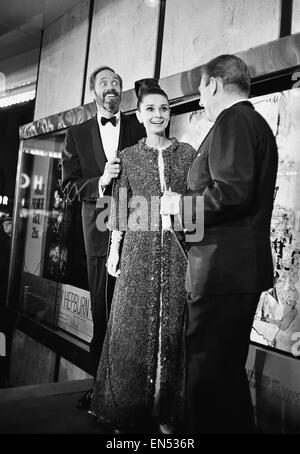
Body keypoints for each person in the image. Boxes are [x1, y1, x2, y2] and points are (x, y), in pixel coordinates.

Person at [161, 54, 278, 433]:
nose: (199, 101)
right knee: (224, 378)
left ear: (212, 83)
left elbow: (231, 192)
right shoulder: (251, 122)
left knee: (207, 378)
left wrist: (180, 204)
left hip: (221, 273)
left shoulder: (234, 120)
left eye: (201, 91)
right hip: (233, 272)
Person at [90, 80, 196, 433]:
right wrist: (114, 249)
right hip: (138, 251)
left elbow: (195, 206)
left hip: (177, 253)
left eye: (164, 109)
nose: (158, 115)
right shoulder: (129, 157)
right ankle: (126, 409)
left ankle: (167, 409)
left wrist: (194, 248)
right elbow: (118, 208)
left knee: (172, 329)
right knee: (130, 329)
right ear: (139, 114)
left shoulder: (188, 153)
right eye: (150, 109)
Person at [61, 66, 144, 410]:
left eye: (116, 83)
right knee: (101, 308)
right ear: (93, 90)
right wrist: (100, 181)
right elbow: (67, 187)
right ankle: (101, 391)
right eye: (104, 82)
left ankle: (130, 391)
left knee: (130, 310)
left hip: (138, 221)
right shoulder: (76, 133)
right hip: (97, 228)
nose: (112, 87)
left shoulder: (141, 126)